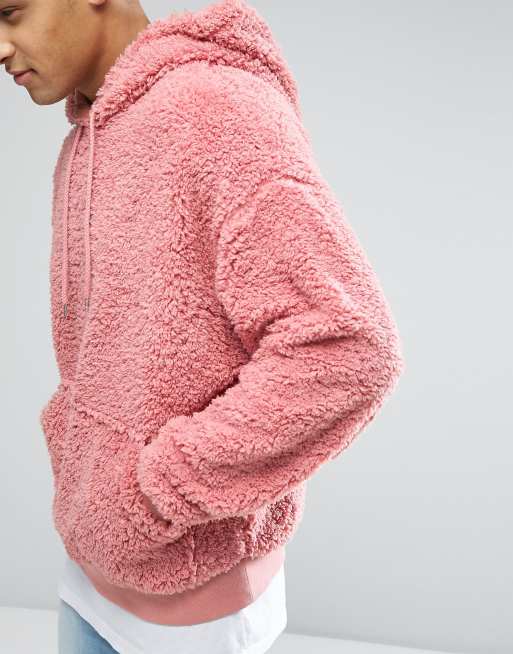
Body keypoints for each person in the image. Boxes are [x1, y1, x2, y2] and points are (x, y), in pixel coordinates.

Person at [3, 0, 405, 652]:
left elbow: (346, 348)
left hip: (193, 609)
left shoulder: (220, 110)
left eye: (10, 13)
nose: (0, 46)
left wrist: (155, 492)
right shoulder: (84, 144)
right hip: (90, 575)